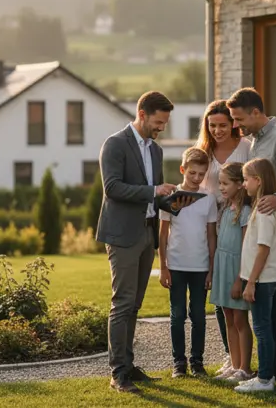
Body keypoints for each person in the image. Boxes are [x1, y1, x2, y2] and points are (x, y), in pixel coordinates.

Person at [97, 90, 192, 393]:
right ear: (142, 113)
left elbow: (157, 197)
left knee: (135, 305)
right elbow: (112, 188)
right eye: (159, 121)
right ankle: (117, 373)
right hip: (123, 235)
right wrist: (153, 191)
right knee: (122, 303)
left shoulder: (156, 151)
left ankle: (128, 364)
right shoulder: (114, 144)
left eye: (165, 123)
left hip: (146, 233)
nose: (162, 127)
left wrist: (176, 201)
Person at [227, 88, 276, 382]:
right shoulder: (254, 142)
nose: (237, 125)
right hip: (263, 225)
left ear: (256, 112)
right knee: (268, 295)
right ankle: (273, 365)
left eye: (239, 119)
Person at [194, 99, 251, 375]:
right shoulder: (203, 151)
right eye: (212, 125)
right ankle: (231, 355)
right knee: (219, 293)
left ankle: (242, 360)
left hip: (237, 218)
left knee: (236, 305)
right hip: (212, 225)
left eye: (223, 125)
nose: (217, 130)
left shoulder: (246, 149)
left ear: (233, 124)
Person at [158, 147, 218, 378]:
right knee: (177, 315)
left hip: (201, 267)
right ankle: (179, 364)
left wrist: (211, 269)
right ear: (182, 169)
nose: (196, 178)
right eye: (192, 173)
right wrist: (163, 267)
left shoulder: (208, 199)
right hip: (175, 266)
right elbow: (163, 235)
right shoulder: (170, 199)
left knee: (199, 316)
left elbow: (211, 235)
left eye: (201, 174)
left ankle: (197, 362)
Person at [234, 158, 276, 393]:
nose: (243, 184)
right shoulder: (260, 208)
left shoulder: (263, 212)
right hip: (261, 280)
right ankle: (266, 376)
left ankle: (264, 379)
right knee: (264, 328)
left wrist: (251, 282)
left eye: (245, 179)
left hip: (262, 281)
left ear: (258, 181)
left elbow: (263, 249)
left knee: (262, 330)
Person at [209, 162, 254, 383]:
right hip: (222, 267)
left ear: (239, 184)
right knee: (228, 318)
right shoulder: (226, 209)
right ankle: (234, 365)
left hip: (237, 270)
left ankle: (245, 368)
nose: (222, 187)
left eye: (225, 183)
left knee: (240, 320)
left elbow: (246, 248)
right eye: (220, 183)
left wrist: (240, 280)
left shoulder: (245, 212)